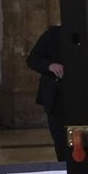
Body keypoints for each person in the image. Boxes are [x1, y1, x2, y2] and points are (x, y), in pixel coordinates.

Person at [26, 24, 68, 162]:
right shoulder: (52, 34)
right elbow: (32, 59)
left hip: (82, 96)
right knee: (61, 141)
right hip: (56, 96)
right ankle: (63, 170)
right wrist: (49, 65)